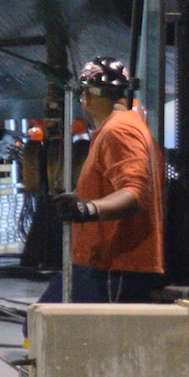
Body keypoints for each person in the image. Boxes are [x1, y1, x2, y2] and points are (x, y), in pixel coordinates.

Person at [45, 57, 165, 302]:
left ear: (90, 96)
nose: (84, 103)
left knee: (39, 328)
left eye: (84, 95)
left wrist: (87, 209)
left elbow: (135, 192)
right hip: (108, 265)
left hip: (111, 267)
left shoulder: (118, 131)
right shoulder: (128, 126)